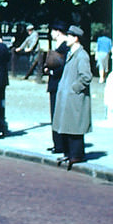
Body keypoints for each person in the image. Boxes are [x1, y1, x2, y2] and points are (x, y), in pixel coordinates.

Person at [52, 25, 93, 169]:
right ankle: (68, 153)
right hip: (67, 97)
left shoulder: (82, 55)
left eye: (69, 36)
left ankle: (77, 155)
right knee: (66, 126)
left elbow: (86, 76)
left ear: (76, 38)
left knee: (74, 127)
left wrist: (73, 89)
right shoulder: (71, 53)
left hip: (74, 98)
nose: (66, 39)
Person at [44, 21, 69, 154]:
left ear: (58, 31)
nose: (51, 33)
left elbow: (63, 65)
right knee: (54, 114)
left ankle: (60, 144)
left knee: (58, 113)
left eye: (52, 31)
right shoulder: (60, 45)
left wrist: (51, 71)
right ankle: (57, 143)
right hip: (54, 84)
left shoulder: (64, 46)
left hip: (59, 84)